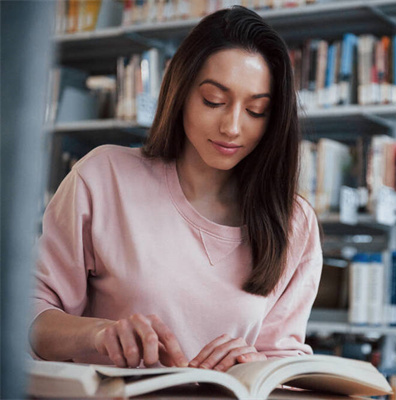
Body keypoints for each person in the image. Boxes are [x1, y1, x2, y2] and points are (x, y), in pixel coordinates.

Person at [29, 6, 323, 372]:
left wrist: (257, 364)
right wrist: (99, 334)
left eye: (256, 111)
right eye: (214, 101)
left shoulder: (293, 222)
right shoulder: (104, 177)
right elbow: (32, 318)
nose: (232, 127)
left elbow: (283, 362)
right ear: (181, 91)